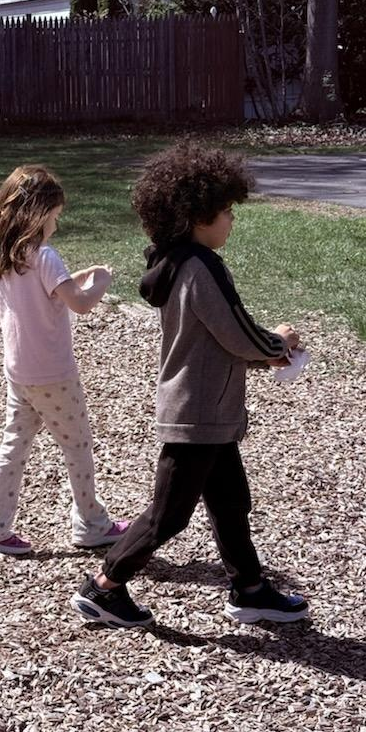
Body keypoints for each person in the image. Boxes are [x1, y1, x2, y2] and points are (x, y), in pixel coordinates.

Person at [71, 143, 309, 627]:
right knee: (168, 516)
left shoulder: (176, 262)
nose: (231, 220)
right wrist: (277, 341)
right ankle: (104, 587)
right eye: (225, 211)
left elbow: (214, 338)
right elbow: (235, 332)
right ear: (198, 216)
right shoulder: (202, 266)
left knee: (231, 502)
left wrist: (264, 353)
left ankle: (251, 588)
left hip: (206, 409)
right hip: (197, 412)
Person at [0, 165, 128, 555]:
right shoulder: (44, 255)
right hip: (53, 374)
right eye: (55, 215)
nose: (57, 222)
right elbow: (82, 304)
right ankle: (92, 524)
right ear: (38, 213)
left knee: (15, 444)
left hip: (19, 370)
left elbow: (48, 294)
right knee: (77, 446)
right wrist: (102, 280)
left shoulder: (3, 254)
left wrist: (74, 276)